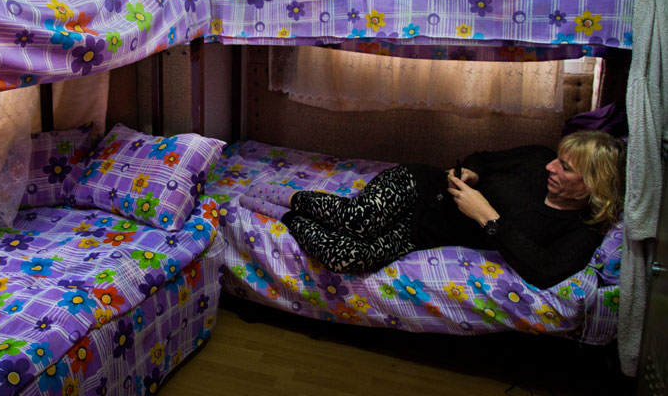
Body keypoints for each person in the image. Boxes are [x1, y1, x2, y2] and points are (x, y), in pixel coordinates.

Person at [264, 130, 625, 289]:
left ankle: (287, 217)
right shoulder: (536, 159)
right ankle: (285, 196)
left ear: (591, 184)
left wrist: (486, 216)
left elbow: (544, 270)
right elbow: (483, 158)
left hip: (426, 232)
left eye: (565, 167)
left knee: (349, 256)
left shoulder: (582, 229)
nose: (550, 166)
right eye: (557, 159)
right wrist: (472, 171)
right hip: (423, 188)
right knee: (359, 219)